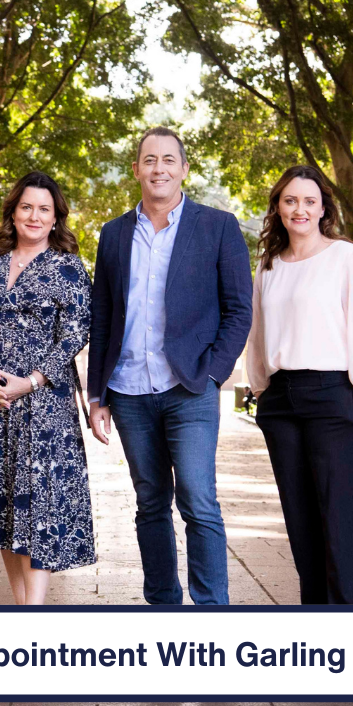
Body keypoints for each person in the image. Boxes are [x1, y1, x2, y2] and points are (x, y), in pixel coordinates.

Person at [87, 127, 252, 604]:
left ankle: (210, 609)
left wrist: (215, 372)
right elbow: (103, 313)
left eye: (168, 160)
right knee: (149, 503)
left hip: (190, 388)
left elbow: (239, 309)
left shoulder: (218, 226)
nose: (158, 168)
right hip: (130, 390)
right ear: (137, 169)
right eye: (149, 160)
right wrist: (98, 393)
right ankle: (162, 605)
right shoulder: (114, 233)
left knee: (199, 503)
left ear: (183, 169)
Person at [0, 172, 94, 603]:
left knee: (39, 509)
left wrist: (30, 381)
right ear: (13, 210)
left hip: (43, 406)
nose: (34, 215)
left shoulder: (68, 267)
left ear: (55, 217)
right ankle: (23, 608)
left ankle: (35, 614)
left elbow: (75, 333)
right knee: (4, 509)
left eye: (44, 209)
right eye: (27, 206)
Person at [246, 165, 353, 604]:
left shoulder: (346, 257)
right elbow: (258, 332)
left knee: (345, 530)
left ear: (323, 206)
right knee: (304, 532)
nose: (299, 209)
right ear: (278, 208)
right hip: (282, 401)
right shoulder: (268, 265)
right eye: (290, 201)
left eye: (309, 200)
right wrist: (261, 388)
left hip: (338, 397)